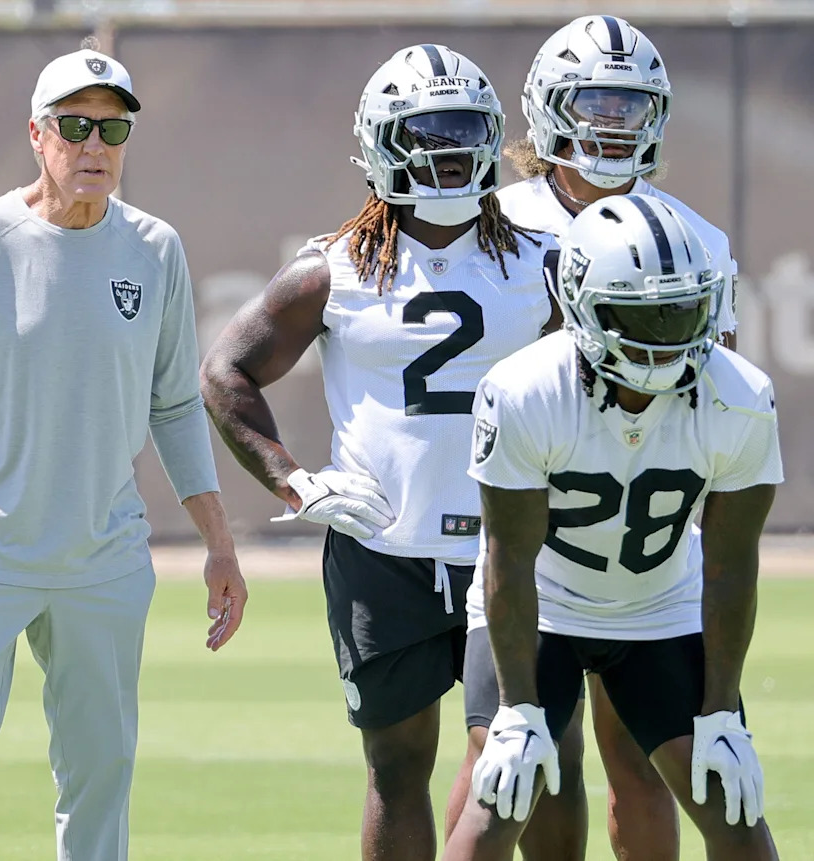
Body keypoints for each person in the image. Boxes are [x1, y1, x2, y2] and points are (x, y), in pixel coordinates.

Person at [201, 44, 590, 861]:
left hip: (511, 548)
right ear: (381, 141)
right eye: (426, 133)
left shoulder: (545, 264)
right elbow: (226, 370)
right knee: (396, 767)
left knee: (529, 757)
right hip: (385, 548)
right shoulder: (333, 268)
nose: (447, 153)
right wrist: (294, 479)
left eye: (464, 132)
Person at [0, 46, 247, 861]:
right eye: (76, 126)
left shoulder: (156, 249)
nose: (95, 145)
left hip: (103, 557)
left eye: (112, 129)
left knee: (101, 768)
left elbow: (176, 403)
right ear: (37, 137)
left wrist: (220, 542)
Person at [451, 17, 740, 859]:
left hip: (632, 534)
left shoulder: (692, 239)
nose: (611, 123)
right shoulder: (488, 219)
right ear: (547, 107)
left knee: (639, 762)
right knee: (512, 761)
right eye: (594, 101)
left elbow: (707, 392)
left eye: (629, 104)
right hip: (510, 517)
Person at [444, 193, 782, 861]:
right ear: (581, 305)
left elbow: (731, 564)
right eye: (639, 312)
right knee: (502, 800)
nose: (664, 333)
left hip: (660, 605)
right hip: (542, 608)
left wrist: (721, 711)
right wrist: (517, 709)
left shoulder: (739, 396)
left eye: (681, 308)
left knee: (735, 808)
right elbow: (508, 556)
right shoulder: (525, 391)